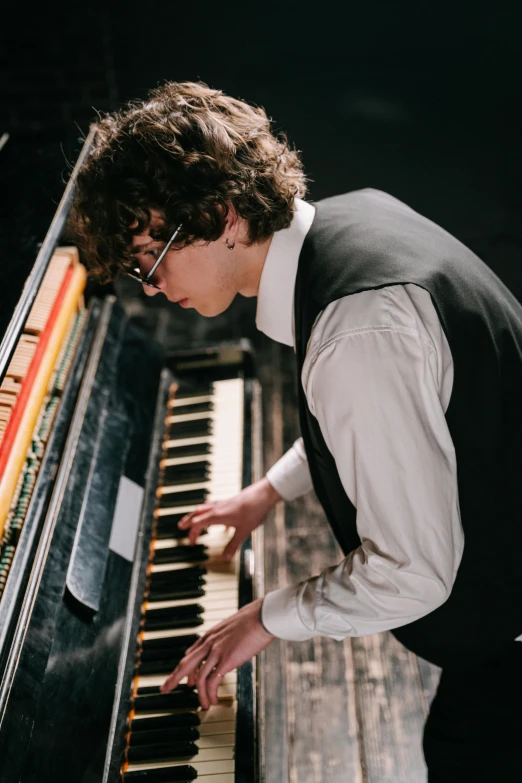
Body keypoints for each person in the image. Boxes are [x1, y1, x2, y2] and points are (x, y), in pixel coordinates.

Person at [70, 81, 522, 782]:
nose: (152, 289)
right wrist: (268, 492)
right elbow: (387, 419)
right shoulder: (348, 221)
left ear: (220, 215)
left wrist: (266, 616)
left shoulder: (357, 334)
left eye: (149, 263)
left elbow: (417, 576)